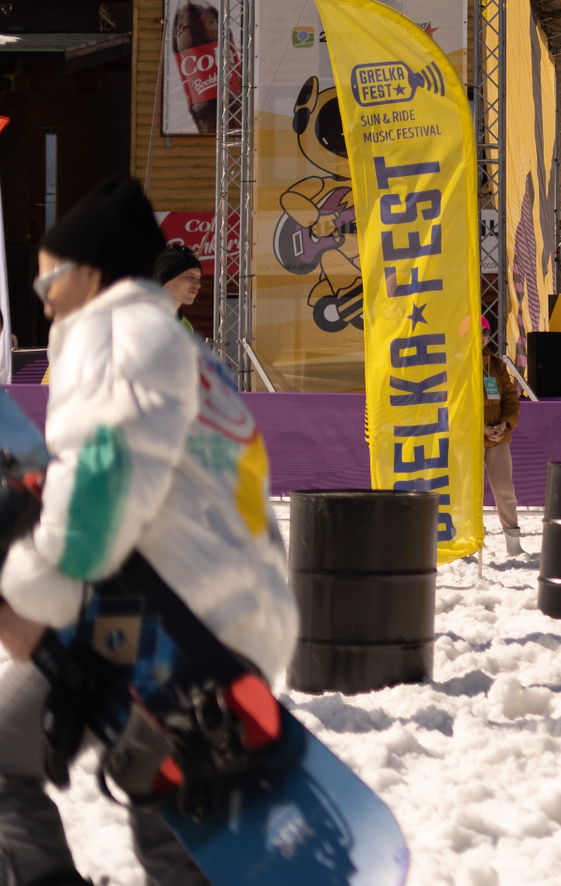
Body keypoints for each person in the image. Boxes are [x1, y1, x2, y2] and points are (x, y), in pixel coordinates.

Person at [0, 175, 296, 886]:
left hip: (164, 633)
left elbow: (101, 485)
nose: (43, 301)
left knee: (10, 762)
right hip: (228, 624)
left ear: (92, 274)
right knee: (167, 818)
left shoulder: (110, 335)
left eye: (49, 282)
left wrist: (31, 585)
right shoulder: (187, 354)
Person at [481, 319, 524, 556]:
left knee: (505, 490)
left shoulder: (496, 363)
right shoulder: (459, 363)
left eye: (485, 331)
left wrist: (504, 424)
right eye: (477, 332)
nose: (482, 336)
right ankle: (472, 542)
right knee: (471, 494)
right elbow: (456, 404)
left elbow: (510, 397)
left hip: (498, 438)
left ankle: (513, 545)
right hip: (471, 440)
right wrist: (480, 428)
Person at [154, 244, 203, 333]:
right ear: (167, 280)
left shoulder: (186, 327)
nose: (198, 284)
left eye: (198, 278)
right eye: (190, 276)